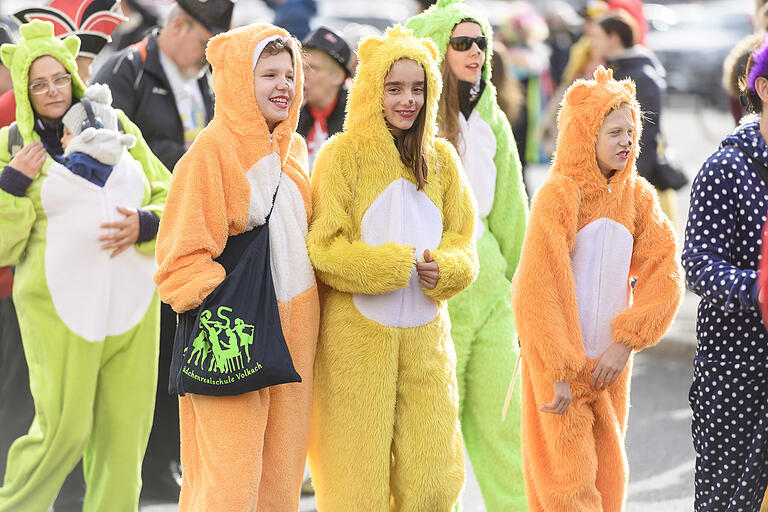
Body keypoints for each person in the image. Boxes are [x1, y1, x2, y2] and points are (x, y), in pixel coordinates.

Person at [0, 19, 170, 511]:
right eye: (38, 83)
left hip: (133, 307)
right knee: (63, 432)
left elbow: (170, 192)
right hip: (59, 314)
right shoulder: (12, 145)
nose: (52, 91)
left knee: (124, 438)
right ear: (23, 89)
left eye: (59, 79)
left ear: (74, 80)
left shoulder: (118, 126)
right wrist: (12, 183)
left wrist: (148, 224)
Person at [306, 25, 478, 511]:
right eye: (394, 87)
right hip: (355, 346)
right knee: (355, 484)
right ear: (370, 89)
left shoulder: (442, 159)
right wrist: (389, 266)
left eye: (418, 88)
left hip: (427, 341)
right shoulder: (341, 156)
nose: (408, 100)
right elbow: (324, 247)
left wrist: (444, 269)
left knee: (433, 481)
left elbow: (465, 244)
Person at [154, 23, 319, 511]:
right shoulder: (211, 152)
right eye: (268, 74)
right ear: (236, 80)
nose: (283, 86)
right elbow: (178, 260)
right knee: (226, 487)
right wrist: (225, 310)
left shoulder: (296, 152)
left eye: (290, 75)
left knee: (279, 484)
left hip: (293, 343)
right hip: (233, 337)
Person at [511, 66, 684, 511]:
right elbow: (536, 287)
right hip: (560, 372)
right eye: (614, 132)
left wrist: (626, 343)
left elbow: (665, 272)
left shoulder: (640, 198)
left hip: (610, 370)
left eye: (631, 131)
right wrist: (558, 370)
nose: (626, 142)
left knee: (608, 485)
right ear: (586, 134)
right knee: (568, 490)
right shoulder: (559, 196)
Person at [92, 0, 233, 497]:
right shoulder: (125, 68)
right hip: (138, 236)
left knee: (179, 352)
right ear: (177, 25)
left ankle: (164, 463)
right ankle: (137, 469)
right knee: (143, 364)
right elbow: (110, 152)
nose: (207, 56)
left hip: (190, 236)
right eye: (204, 42)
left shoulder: (202, 80)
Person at [407, 1, 529, 508]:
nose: (476, 51)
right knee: (438, 438)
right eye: (462, 42)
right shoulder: (411, 122)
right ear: (438, 46)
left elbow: (512, 210)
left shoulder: (493, 120)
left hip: (493, 286)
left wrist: (519, 284)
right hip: (434, 287)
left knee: (508, 426)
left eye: (482, 42)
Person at [683, 36, 768, 512]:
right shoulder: (726, 168)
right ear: (764, 88)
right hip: (737, 370)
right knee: (728, 502)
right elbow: (696, 262)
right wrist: (760, 291)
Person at [589, 11, 685, 230]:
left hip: (643, 182)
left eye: (597, 36)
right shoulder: (618, 69)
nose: (591, 42)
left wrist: (626, 182)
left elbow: (647, 136)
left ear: (614, 38)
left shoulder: (642, 75)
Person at [297, 26, 352, 170]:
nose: (303, 75)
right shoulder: (288, 111)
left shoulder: (355, 119)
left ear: (338, 76)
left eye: (313, 68)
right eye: (301, 67)